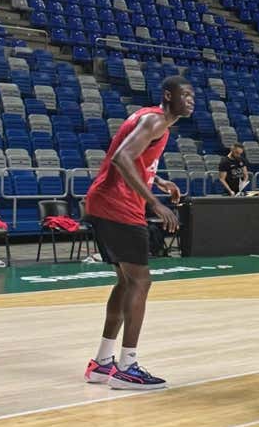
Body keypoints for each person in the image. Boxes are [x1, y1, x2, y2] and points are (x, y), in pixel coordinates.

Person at [82, 76, 193, 390]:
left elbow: (134, 156)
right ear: (168, 95)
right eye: (184, 94)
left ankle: (103, 363)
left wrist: (159, 181)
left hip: (104, 202)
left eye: (192, 95)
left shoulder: (154, 122)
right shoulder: (155, 121)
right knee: (141, 280)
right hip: (117, 205)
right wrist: (155, 204)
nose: (190, 100)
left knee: (127, 281)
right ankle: (127, 366)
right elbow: (121, 158)